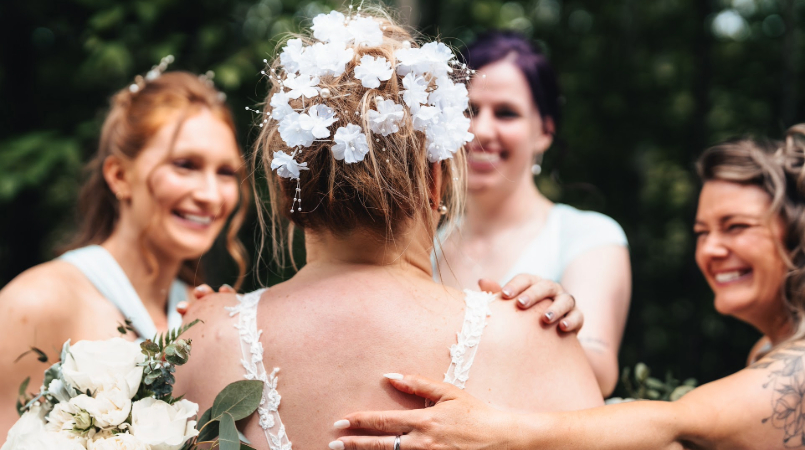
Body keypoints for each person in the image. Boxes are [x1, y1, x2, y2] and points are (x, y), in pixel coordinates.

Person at [174, 9, 603, 450]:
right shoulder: (534, 337)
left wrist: (205, 323)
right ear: (435, 180)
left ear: (287, 189)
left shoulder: (201, 339)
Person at [333, 124, 805, 450]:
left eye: (737, 226)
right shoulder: (768, 347)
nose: (712, 250)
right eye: (703, 232)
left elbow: (674, 427)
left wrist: (496, 432)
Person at [0, 69, 249, 437]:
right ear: (119, 176)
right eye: (185, 165)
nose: (211, 196)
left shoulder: (196, 311)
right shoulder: (41, 301)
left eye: (226, 172)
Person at [433, 31, 631, 395]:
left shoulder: (590, 237)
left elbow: (600, 373)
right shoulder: (427, 244)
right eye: (469, 110)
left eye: (506, 113)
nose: (481, 130)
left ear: (545, 131)